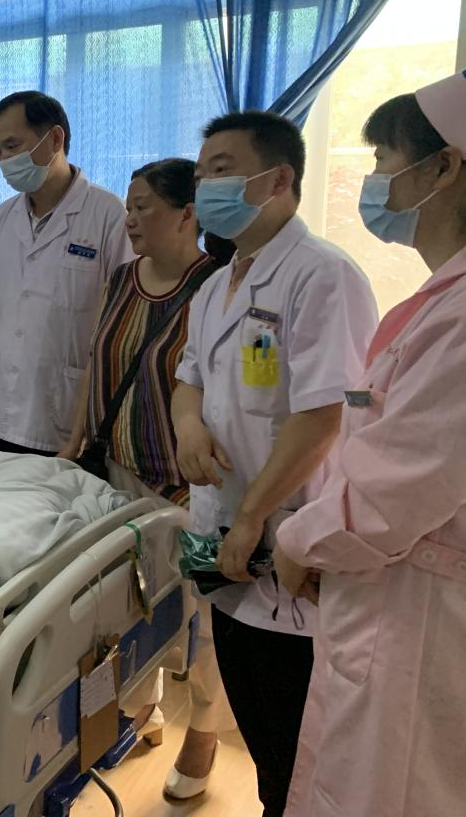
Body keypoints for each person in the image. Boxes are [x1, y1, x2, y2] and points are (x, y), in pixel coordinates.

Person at [170, 111, 378, 817]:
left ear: (278, 178)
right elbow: (188, 379)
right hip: (223, 535)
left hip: (283, 538)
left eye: (222, 170)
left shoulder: (322, 275)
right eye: (201, 173)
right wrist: (188, 426)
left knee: (294, 743)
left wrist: (254, 515)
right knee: (258, 722)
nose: (205, 186)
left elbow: (322, 415)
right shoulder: (215, 285)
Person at [272, 73, 466, 817]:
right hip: (384, 584)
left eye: (384, 159)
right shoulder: (437, 302)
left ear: (443, 167)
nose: (374, 180)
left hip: (416, 605)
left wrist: (298, 538)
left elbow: (396, 488)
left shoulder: (454, 318)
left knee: (387, 788)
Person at [58, 157, 235, 800]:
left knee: (205, 617)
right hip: (115, 473)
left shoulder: (216, 288)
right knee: (133, 604)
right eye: (128, 207)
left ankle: (204, 735)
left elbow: (223, 390)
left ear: (188, 214)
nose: (129, 219)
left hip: (190, 493)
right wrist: (76, 439)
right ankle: (145, 709)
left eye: (143, 208)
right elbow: (97, 362)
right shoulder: (122, 279)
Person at [0, 91, 133, 454]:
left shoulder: (108, 215)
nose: (5, 160)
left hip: (66, 414)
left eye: (12, 146)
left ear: (55, 139)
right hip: (0, 406)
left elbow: (122, 321)